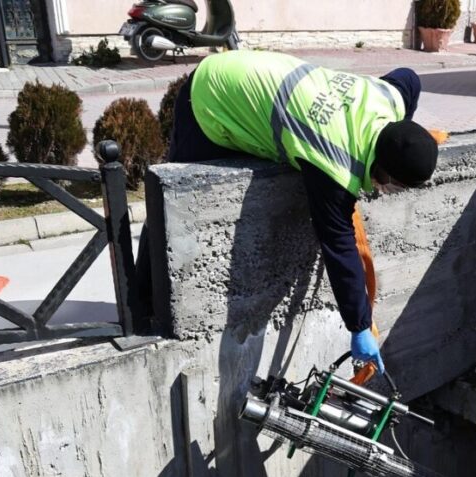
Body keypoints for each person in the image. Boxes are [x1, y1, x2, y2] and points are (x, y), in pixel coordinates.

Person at [160, 50, 439, 374]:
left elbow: (410, 78)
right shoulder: (334, 161)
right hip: (211, 95)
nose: (389, 194)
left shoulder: (389, 101)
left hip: (254, 69)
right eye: (395, 187)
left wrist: (408, 140)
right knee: (171, 201)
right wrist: (360, 326)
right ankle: (144, 302)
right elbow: (339, 246)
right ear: (383, 171)